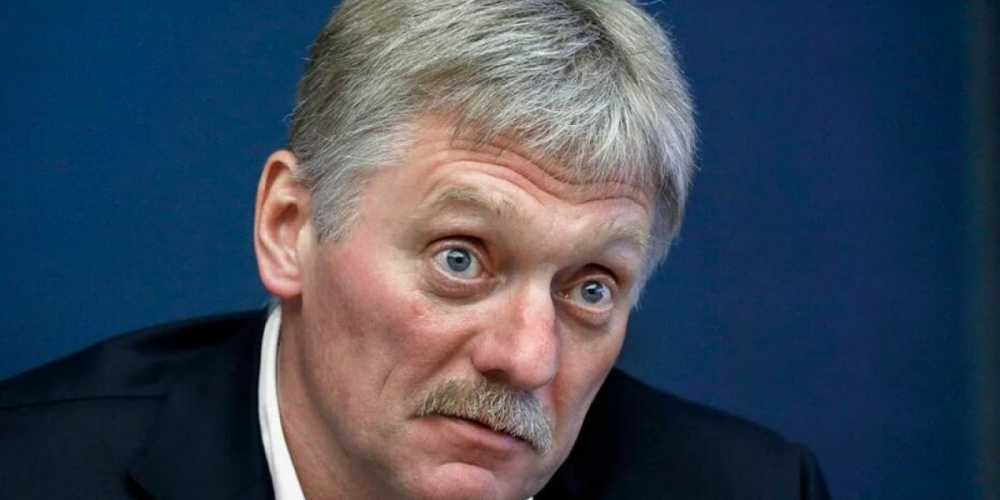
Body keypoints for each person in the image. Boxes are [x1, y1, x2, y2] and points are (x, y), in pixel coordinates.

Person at [0, 0, 830, 498]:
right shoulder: (29, 472)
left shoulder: (750, 490)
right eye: (460, 259)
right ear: (290, 228)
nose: (528, 359)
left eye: (590, 288)